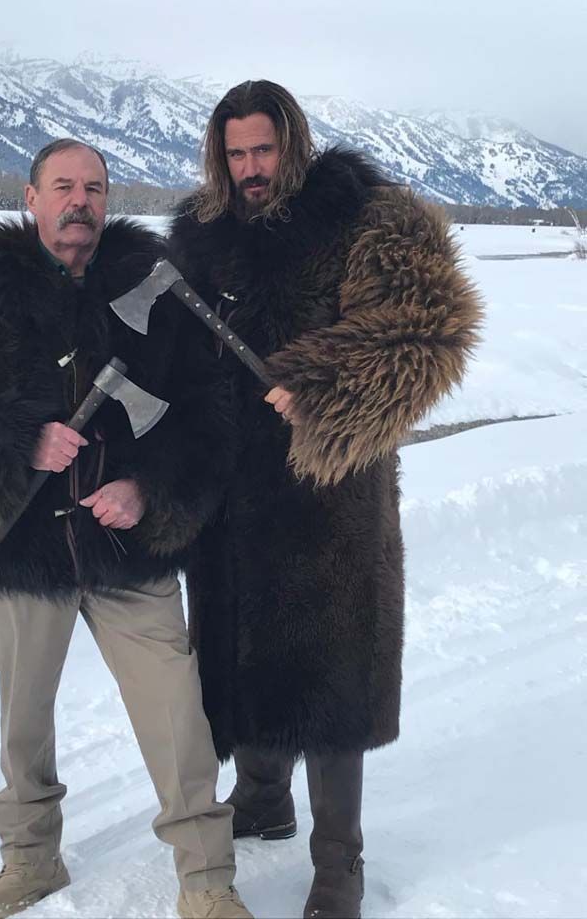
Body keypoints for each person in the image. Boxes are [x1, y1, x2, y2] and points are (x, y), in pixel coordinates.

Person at [0, 139, 253, 919]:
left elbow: (209, 413)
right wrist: (17, 440)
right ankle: (31, 861)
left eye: (96, 188)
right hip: (20, 546)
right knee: (23, 725)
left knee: (177, 713)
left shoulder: (153, 293)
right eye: (64, 186)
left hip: (127, 546)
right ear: (30, 198)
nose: (81, 202)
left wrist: (148, 486)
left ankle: (207, 882)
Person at [168, 82, 484, 919]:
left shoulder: (365, 219)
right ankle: (263, 796)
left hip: (328, 496)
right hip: (232, 494)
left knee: (331, 669)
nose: (249, 170)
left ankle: (338, 860)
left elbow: (428, 330)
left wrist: (323, 385)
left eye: (262, 151)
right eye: (234, 155)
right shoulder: (199, 237)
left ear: (293, 143)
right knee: (237, 652)